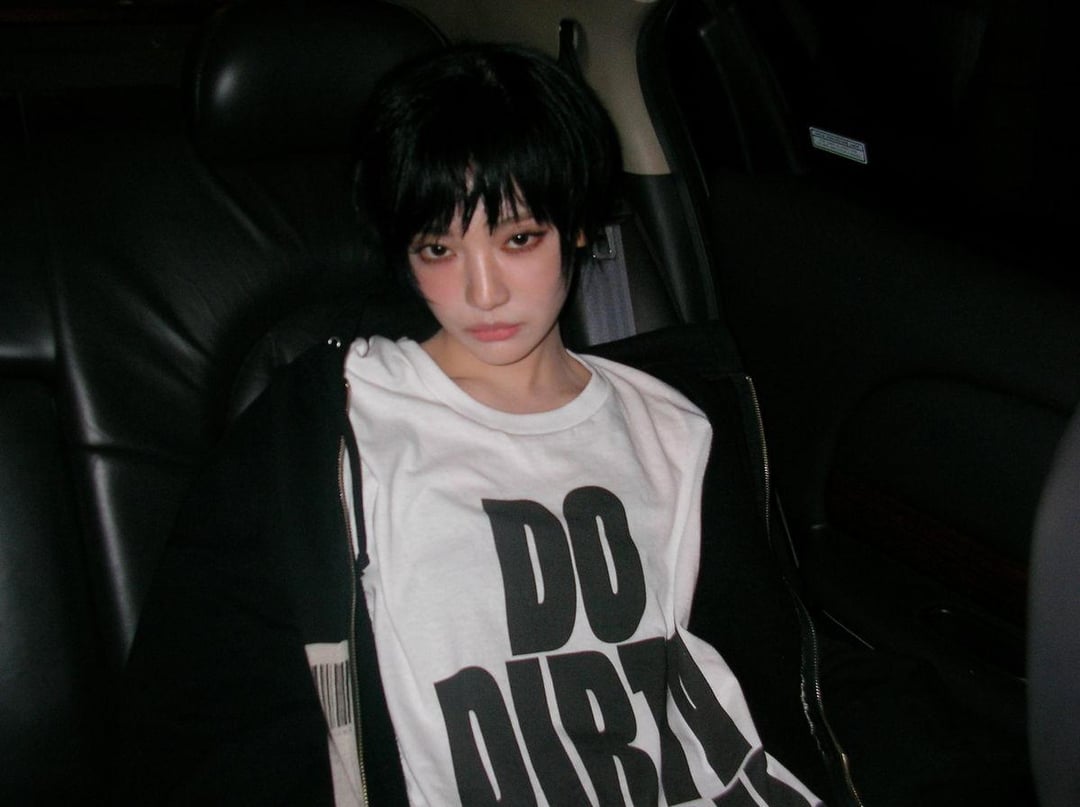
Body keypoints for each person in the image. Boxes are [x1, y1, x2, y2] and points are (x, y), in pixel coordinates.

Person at [116, 44, 822, 806]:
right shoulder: (333, 422)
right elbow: (201, 696)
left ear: (579, 225)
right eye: (438, 248)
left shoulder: (675, 424)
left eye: (518, 238)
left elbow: (763, 681)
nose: (483, 292)